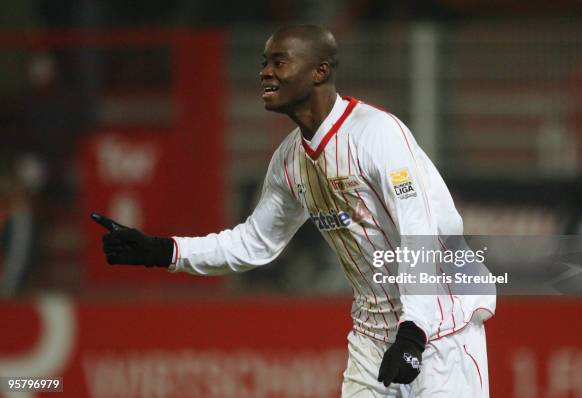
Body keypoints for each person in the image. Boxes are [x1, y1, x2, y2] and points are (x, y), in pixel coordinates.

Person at [92, 25, 496, 397]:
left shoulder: (378, 135)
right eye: (264, 63)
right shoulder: (289, 161)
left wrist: (413, 332)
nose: (266, 73)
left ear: (319, 71)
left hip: (443, 334)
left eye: (279, 61)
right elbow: (255, 243)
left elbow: (419, 231)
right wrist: (164, 251)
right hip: (373, 339)